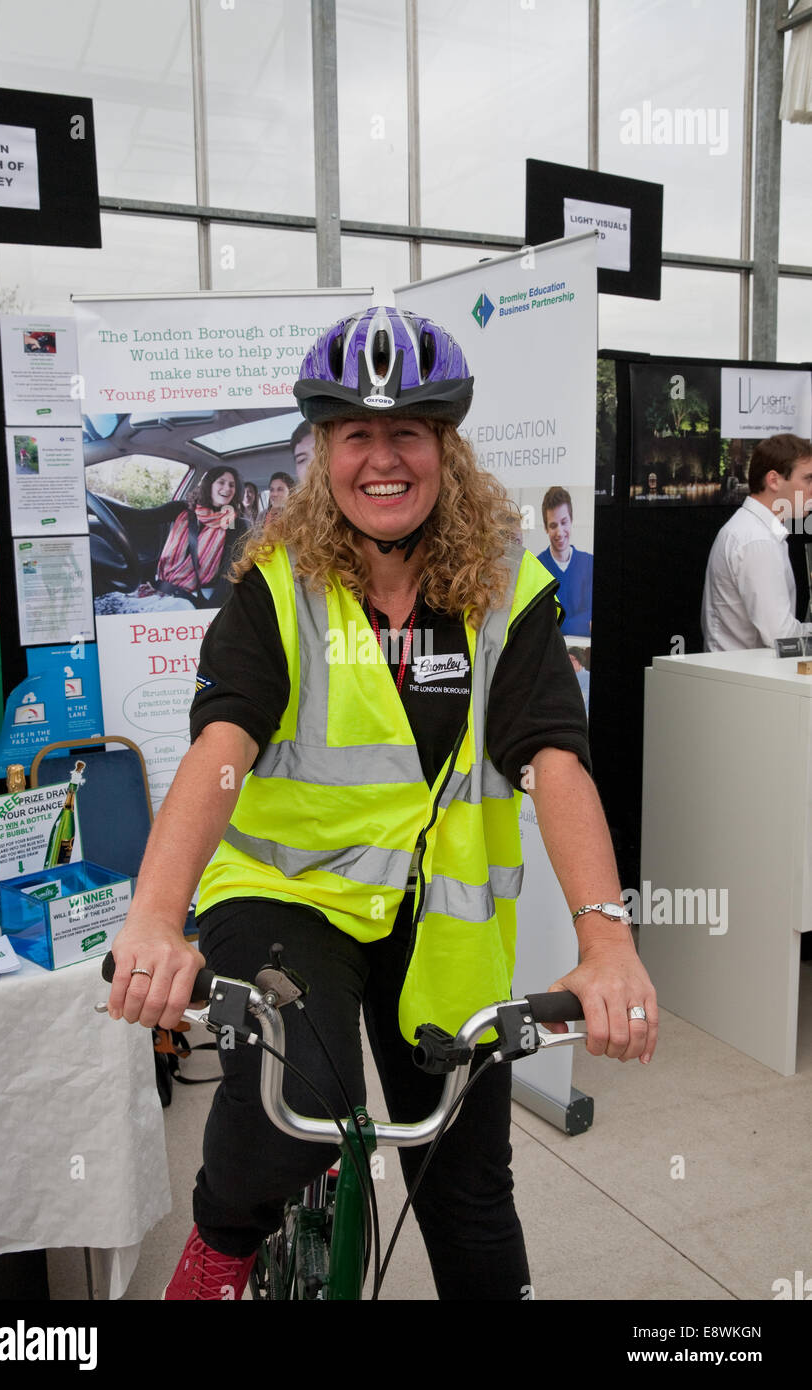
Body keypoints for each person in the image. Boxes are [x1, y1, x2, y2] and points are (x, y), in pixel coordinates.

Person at [105, 305, 657, 1302]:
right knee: (296, 1103)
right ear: (323, 450)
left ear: (445, 446)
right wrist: (153, 917)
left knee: (465, 1189)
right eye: (356, 433)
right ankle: (218, 1252)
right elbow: (221, 746)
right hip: (288, 896)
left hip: (438, 919)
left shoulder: (506, 588)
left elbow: (553, 760)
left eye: (407, 429)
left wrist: (605, 938)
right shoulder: (278, 586)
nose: (382, 457)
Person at [702, 433, 812, 651]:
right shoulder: (757, 540)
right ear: (774, 480)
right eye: (808, 479)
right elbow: (782, 638)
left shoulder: (757, 532)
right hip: (744, 680)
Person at [536, 486, 593, 636]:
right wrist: (582, 625)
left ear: (571, 520)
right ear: (545, 528)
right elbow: (540, 625)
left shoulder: (589, 563)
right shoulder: (537, 567)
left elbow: (592, 615)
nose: (560, 532)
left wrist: (557, 626)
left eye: (564, 522)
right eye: (553, 525)